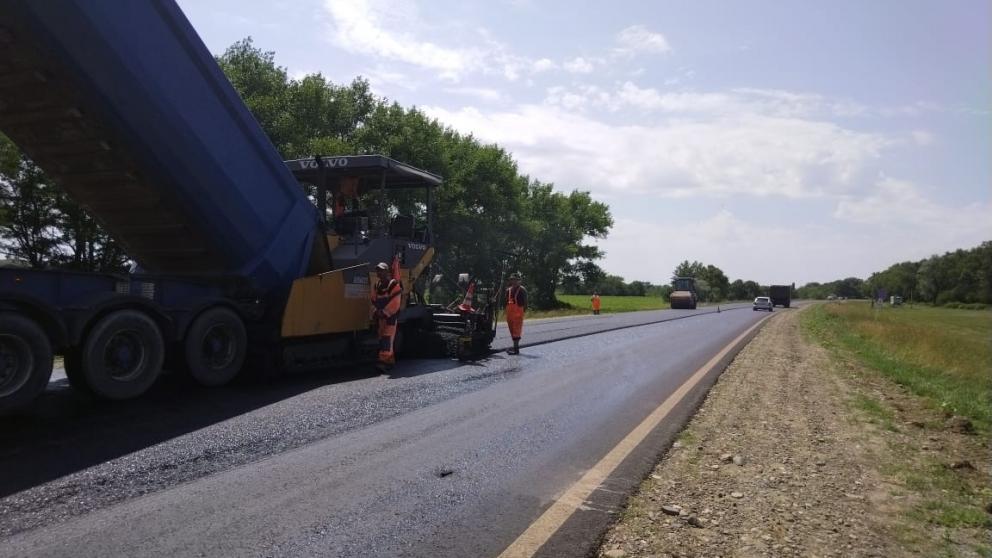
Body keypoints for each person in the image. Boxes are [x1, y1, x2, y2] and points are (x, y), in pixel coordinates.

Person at [370, 261, 402, 371]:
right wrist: (375, 312)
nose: (379, 272)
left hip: (390, 318)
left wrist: (384, 312)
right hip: (381, 318)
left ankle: (384, 361)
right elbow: (372, 301)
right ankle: (390, 361)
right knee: (382, 338)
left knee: (386, 339)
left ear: (387, 272)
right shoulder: (377, 286)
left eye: (381, 270)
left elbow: (395, 303)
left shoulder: (393, 285)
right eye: (378, 271)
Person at [505, 272, 527, 355]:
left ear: (519, 281)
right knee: (512, 330)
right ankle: (515, 347)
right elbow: (506, 301)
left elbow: (525, 303)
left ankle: (516, 349)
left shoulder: (522, 290)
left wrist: (521, 312)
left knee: (516, 331)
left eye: (516, 280)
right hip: (509, 314)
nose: (514, 281)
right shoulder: (508, 290)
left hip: (518, 314)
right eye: (512, 280)